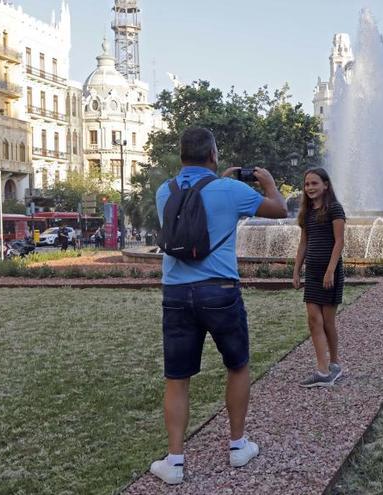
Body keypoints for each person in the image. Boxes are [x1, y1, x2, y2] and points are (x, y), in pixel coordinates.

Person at [148, 127, 287, 485]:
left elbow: (192, 211)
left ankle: (175, 461)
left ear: (181, 156)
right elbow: (279, 210)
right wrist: (268, 183)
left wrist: (216, 181)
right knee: (237, 365)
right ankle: (238, 446)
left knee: (177, 378)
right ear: (213, 153)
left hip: (177, 293)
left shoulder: (165, 191)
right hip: (220, 291)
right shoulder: (232, 190)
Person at [292, 168, 346, 388]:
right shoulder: (307, 212)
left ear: (325, 185)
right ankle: (322, 370)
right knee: (314, 321)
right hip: (313, 273)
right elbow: (303, 243)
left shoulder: (334, 208)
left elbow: (339, 241)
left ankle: (334, 364)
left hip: (329, 272)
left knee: (328, 322)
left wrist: (331, 270)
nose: (310, 188)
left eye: (314, 183)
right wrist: (296, 270)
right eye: (307, 184)